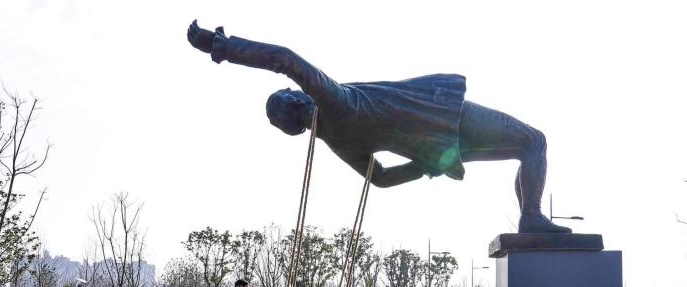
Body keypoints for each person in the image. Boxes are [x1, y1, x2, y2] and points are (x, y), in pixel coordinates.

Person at [186, 21, 570, 234]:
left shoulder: (336, 139)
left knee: (528, 147)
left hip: (439, 147)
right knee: (533, 142)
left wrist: (423, 166)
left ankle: (530, 218)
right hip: (445, 115)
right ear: (299, 99)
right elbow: (284, 59)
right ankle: (531, 215)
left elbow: (381, 178)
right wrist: (222, 46)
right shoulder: (335, 101)